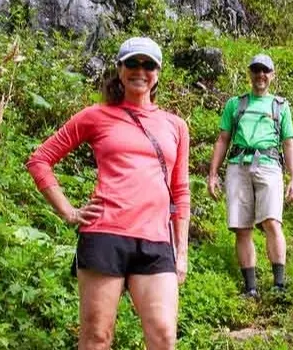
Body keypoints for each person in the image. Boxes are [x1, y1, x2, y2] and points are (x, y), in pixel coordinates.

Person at [26, 37, 190, 350]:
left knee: (164, 336)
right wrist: (68, 211)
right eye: (132, 63)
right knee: (96, 337)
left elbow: (180, 191)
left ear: (158, 72)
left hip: (157, 241)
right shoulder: (95, 116)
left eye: (148, 64)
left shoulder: (175, 125)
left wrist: (181, 251)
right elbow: (39, 160)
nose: (139, 70)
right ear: (119, 69)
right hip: (105, 234)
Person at [207, 54, 293, 298]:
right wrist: (213, 173)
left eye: (265, 71)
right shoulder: (235, 104)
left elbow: (288, 144)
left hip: (269, 165)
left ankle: (279, 284)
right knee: (242, 227)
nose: (261, 75)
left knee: (272, 222)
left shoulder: (280, 106)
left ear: (272, 75)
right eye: (256, 70)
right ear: (250, 74)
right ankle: (251, 288)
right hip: (238, 165)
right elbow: (223, 139)